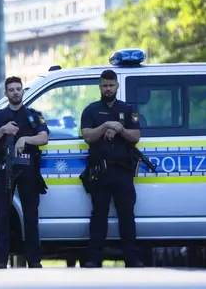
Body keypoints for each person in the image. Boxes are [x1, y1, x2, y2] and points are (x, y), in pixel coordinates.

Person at [80, 69, 145, 268]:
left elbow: (135, 136)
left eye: (111, 85)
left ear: (117, 86)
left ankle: (132, 259)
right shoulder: (90, 110)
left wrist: (120, 128)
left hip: (123, 171)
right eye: (104, 85)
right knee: (98, 216)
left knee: (127, 215)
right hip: (100, 171)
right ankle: (93, 258)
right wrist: (106, 125)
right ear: (99, 87)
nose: (107, 89)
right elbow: (88, 136)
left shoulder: (127, 110)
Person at [0, 76, 50, 269]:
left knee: (31, 217)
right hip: (5, 171)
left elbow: (44, 138)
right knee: (2, 218)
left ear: (23, 91)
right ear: (6, 93)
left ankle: (34, 260)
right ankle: (0, 261)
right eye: (11, 89)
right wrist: (3, 131)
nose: (15, 92)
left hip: (28, 171)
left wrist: (25, 140)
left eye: (18, 89)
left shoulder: (33, 115)